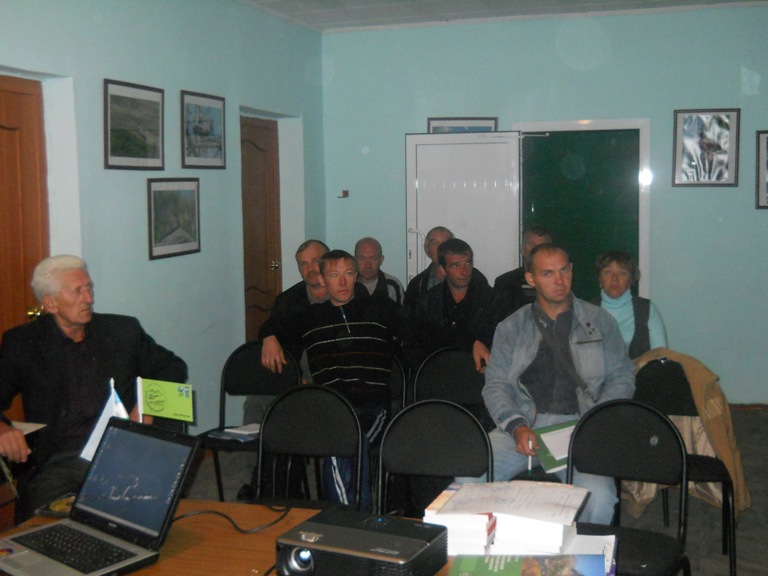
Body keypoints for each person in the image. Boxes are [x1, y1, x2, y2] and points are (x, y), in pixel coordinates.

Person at [0, 255, 187, 522]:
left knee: (141, 519)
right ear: (50, 303)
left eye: (89, 288)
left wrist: (148, 406)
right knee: (42, 527)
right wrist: (3, 429)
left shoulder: (122, 330)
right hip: (61, 460)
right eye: (78, 291)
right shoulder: (22, 343)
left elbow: (172, 367)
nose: (89, 298)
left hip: (123, 449)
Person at [475, 243, 635, 524]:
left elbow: (622, 377)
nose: (559, 281)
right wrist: (516, 426)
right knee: (469, 480)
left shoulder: (600, 322)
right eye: (548, 274)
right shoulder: (511, 327)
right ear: (531, 279)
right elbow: (496, 385)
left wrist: (593, 423)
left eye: (564, 271)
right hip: (523, 424)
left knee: (599, 500)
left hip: (579, 426)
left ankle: (581, 553)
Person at [295, 250, 401, 512]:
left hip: (371, 408)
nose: (342, 282)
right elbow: (275, 326)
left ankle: (345, 517)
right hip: (330, 407)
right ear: (322, 280)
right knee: (341, 435)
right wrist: (269, 338)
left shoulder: (379, 310)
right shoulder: (309, 318)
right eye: (334, 275)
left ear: (356, 277)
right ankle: (355, 519)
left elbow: (422, 330)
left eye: (348, 274)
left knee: (346, 439)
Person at [409, 238, 501, 373]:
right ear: (443, 270)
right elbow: (422, 341)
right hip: (437, 373)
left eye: (468, 263)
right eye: (455, 266)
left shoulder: (491, 299)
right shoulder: (428, 302)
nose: (464, 271)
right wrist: (471, 343)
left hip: (479, 373)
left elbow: (501, 342)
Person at [258, 239, 330, 375]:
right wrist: (269, 338)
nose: (310, 268)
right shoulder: (288, 300)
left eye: (315, 261)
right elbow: (271, 325)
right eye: (303, 264)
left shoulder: (347, 293)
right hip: (300, 375)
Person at [594, 250, 667, 359]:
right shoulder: (585, 310)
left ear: (631, 279)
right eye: (608, 272)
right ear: (600, 278)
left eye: (622, 273)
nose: (614, 278)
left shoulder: (646, 310)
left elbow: (661, 356)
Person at [494, 225, 552, 315]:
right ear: (522, 249)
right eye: (531, 244)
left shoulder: (559, 281)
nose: (536, 250)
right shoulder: (505, 283)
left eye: (542, 246)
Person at [403, 226, 454, 310]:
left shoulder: (472, 278)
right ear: (427, 250)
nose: (440, 247)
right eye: (434, 243)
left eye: (445, 242)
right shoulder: (417, 284)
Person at [354, 237, 405, 305]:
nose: (368, 265)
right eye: (362, 258)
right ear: (354, 260)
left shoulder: (392, 285)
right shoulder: (347, 284)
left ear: (381, 260)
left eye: (373, 258)